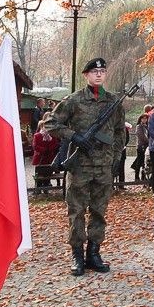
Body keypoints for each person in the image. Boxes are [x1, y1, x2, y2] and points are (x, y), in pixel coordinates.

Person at [48, 57, 126, 276]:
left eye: (102, 71)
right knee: (77, 211)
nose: (99, 74)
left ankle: (94, 253)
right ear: (86, 75)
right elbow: (51, 123)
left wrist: (116, 156)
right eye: (94, 71)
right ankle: (77, 255)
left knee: (99, 212)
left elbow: (120, 131)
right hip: (80, 166)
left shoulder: (114, 101)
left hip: (103, 167)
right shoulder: (73, 101)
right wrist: (75, 137)